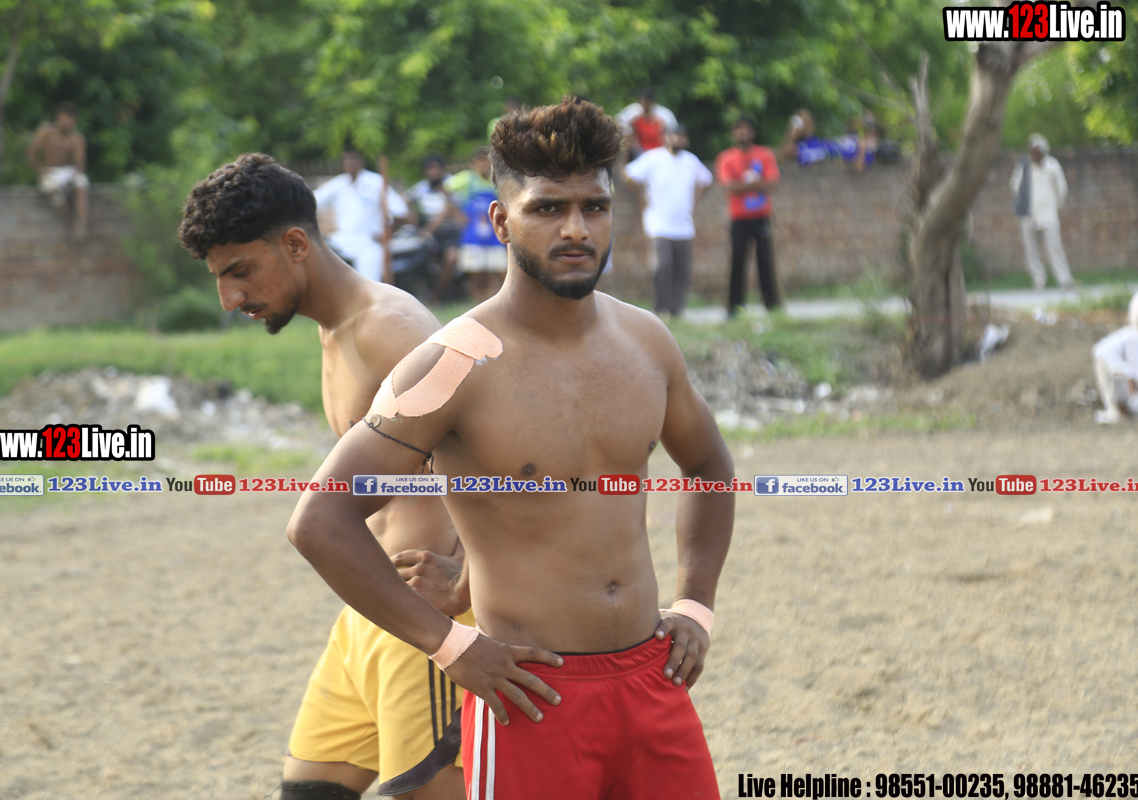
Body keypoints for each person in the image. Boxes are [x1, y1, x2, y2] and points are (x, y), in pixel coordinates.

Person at [286, 97, 734, 800]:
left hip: (653, 680)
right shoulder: (453, 363)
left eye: (593, 206)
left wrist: (696, 605)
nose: (576, 228)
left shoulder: (646, 341)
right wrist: (451, 645)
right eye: (548, 208)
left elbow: (707, 465)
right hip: (531, 696)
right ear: (501, 221)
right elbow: (320, 519)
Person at [178, 153, 471, 800]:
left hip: (427, 622)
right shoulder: (334, 330)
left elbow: (503, 464)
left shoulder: (392, 330)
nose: (229, 299)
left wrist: (471, 577)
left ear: (294, 245)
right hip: (370, 611)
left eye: (240, 272)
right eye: (220, 279)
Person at [621, 125, 713, 318]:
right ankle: (660, 308)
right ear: (666, 138)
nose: (679, 140)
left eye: (682, 137)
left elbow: (707, 180)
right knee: (661, 266)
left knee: (682, 269)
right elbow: (628, 174)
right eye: (675, 136)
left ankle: (676, 311)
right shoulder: (654, 158)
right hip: (658, 223)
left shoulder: (690, 161)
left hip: (684, 225)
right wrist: (641, 196)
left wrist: (696, 200)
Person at [314, 147, 410, 283]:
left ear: (361, 161)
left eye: (353, 158)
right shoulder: (339, 183)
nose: (349, 162)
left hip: (369, 243)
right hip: (342, 241)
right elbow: (313, 201)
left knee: (369, 283)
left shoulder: (376, 182)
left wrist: (386, 234)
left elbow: (400, 212)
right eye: (346, 159)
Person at [717, 116, 782, 316]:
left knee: (766, 261)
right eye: (739, 129)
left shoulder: (764, 154)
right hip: (738, 217)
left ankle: (772, 307)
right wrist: (756, 184)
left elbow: (773, 182)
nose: (742, 133)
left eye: (746, 129)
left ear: (752, 133)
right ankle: (735, 308)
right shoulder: (727, 158)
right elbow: (729, 186)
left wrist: (743, 185)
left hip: (762, 216)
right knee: (737, 261)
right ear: (733, 133)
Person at [1010, 133, 1076, 291]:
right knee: (1030, 250)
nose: (1034, 154)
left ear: (1044, 151)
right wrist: (1023, 201)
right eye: (1032, 151)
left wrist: (1054, 206)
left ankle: (1064, 280)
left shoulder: (1052, 166)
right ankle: (1038, 280)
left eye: (1037, 151)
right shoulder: (1024, 166)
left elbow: (1062, 189)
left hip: (1048, 214)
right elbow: (1014, 185)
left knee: (1054, 247)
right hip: (1028, 214)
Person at [445, 148, 506, 302]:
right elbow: (446, 187)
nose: (483, 165)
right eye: (480, 161)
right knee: (475, 270)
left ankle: (502, 301)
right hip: (473, 230)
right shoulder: (467, 178)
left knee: (500, 268)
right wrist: (457, 213)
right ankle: (477, 301)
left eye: (486, 161)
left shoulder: (496, 178)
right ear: (474, 163)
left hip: (493, 231)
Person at [26, 101, 89, 240]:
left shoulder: (76, 138)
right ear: (59, 116)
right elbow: (31, 154)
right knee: (55, 194)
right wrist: (40, 172)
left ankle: (81, 226)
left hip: (68, 170)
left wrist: (73, 177)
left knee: (81, 183)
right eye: (66, 118)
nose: (69, 123)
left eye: (72, 120)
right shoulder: (46, 132)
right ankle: (71, 223)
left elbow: (80, 163)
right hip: (50, 171)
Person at [407, 154, 464, 302]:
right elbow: (405, 200)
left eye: (437, 168)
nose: (434, 171)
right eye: (430, 168)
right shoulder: (421, 187)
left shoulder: (452, 184)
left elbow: (449, 210)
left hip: (450, 231)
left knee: (451, 257)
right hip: (429, 231)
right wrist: (414, 221)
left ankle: (436, 296)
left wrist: (427, 230)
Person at [1092, 290, 1138, 424]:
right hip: (1136, 398)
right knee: (1103, 363)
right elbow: (1100, 351)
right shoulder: (1128, 337)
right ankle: (1120, 411)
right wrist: (1127, 373)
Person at [615, 87, 678, 159]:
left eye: (646, 101)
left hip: (659, 149)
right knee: (626, 133)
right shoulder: (634, 110)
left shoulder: (664, 114)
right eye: (641, 101)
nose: (643, 104)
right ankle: (622, 162)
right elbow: (618, 122)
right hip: (639, 148)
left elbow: (675, 130)